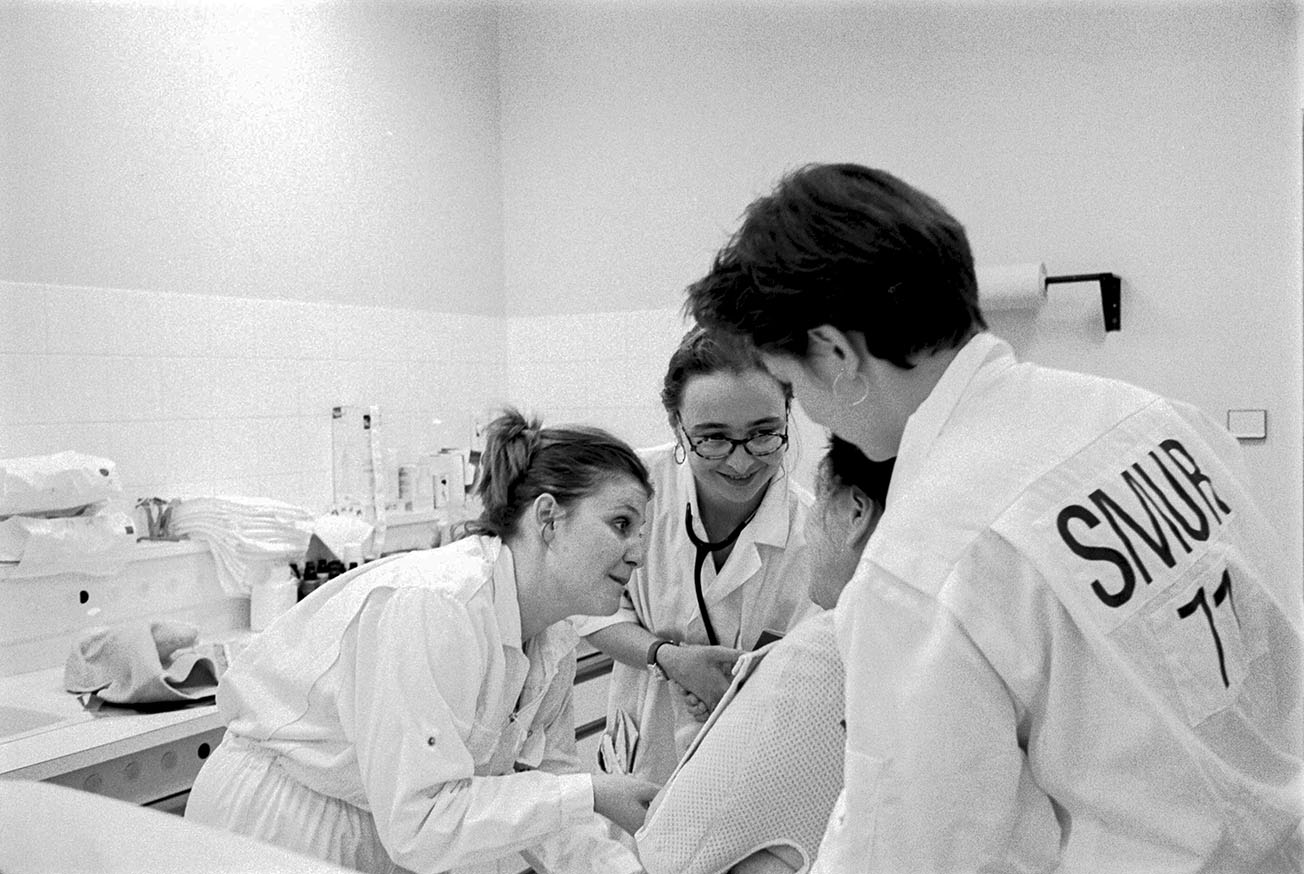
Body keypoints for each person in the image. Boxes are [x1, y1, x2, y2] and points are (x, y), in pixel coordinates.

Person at [686, 162, 1304, 873]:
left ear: (834, 353)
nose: (810, 411)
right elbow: (1278, 654)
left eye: (790, 383)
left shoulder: (923, 563)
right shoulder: (1152, 420)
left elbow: (916, 855)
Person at [185, 409, 661, 874]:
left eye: (641, 532)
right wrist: (590, 793)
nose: (638, 554)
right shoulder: (437, 606)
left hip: (383, 829)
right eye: (621, 524)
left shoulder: (553, 641)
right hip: (283, 820)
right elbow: (424, 822)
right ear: (549, 518)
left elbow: (551, 798)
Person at [573, 326, 817, 785]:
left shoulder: (812, 536)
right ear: (677, 426)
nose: (741, 462)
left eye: (764, 434)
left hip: (757, 761)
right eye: (713, 438)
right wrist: (668, 659)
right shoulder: (630, 491)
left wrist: (743, 687)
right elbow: (591, 609)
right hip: (647, 750)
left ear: (788, 412)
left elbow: (813, 671)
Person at [636, 437, 892, 874]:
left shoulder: (822, 652)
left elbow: (671, 848)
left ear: (855, 514)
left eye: (819, 507)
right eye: (713, 437)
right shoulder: (907, 643)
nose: (740, 461)